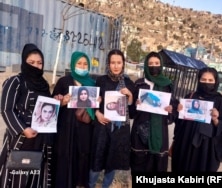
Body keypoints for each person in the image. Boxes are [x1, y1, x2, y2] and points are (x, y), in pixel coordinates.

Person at [0, 43, 54, 187]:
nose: (36, 66)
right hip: (21, 139)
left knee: (35, 175)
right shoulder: (15, 82)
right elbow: (6, 109)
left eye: (39, 63)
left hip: (39, 139)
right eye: (31, 62)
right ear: (24, 62)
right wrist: (23, 129)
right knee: (17, 174)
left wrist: (58, 101)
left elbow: (47, 109)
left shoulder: (43, 85)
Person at [170, 67, 222, 172]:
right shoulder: (190, 96)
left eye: (210, 80)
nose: (206, 83)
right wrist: (178, 111)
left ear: (215, 82)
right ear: (198, 80)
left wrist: (216, 120)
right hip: (185, 143)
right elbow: (180, 123)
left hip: (206, 149)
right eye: (203, 80)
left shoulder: (220, 101)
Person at [89, 49, 135, 188]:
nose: (116, 66)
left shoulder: (129, 83)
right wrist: (97, 113)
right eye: (112, 62)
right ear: (108, 64)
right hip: (102, 126)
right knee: (96, 159)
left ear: (123, 64)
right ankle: (90, 185)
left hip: (119, 129)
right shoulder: (101, 80)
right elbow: (93, 103)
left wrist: (130, 96)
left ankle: (105, 186)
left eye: (119, 62)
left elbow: (132, 113)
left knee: (112, 161)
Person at [51, 51, 96, 188]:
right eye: (79, 63)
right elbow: (52, 104)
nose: (82, 67)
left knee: (82, 157)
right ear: (73, 64)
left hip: (84, 129)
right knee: (65, 156)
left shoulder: (92, 83)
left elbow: (94, 108)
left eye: (85, 64)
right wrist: (63, 101)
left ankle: (80, 183)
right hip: (66, 129)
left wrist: (97, 101)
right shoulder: (63, 81)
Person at [130, 51, 179, 173]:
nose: (154, 66)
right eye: (150, 63)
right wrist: (135, 104)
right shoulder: (139, 83)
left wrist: (171, 110)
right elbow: (131, 112)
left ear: (161, 65)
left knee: (156, 167)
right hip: (140, 132)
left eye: (156, 63)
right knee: (139, 167)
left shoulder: (167, 85)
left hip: (159, 132)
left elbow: (173, 110)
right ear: (146, 65)